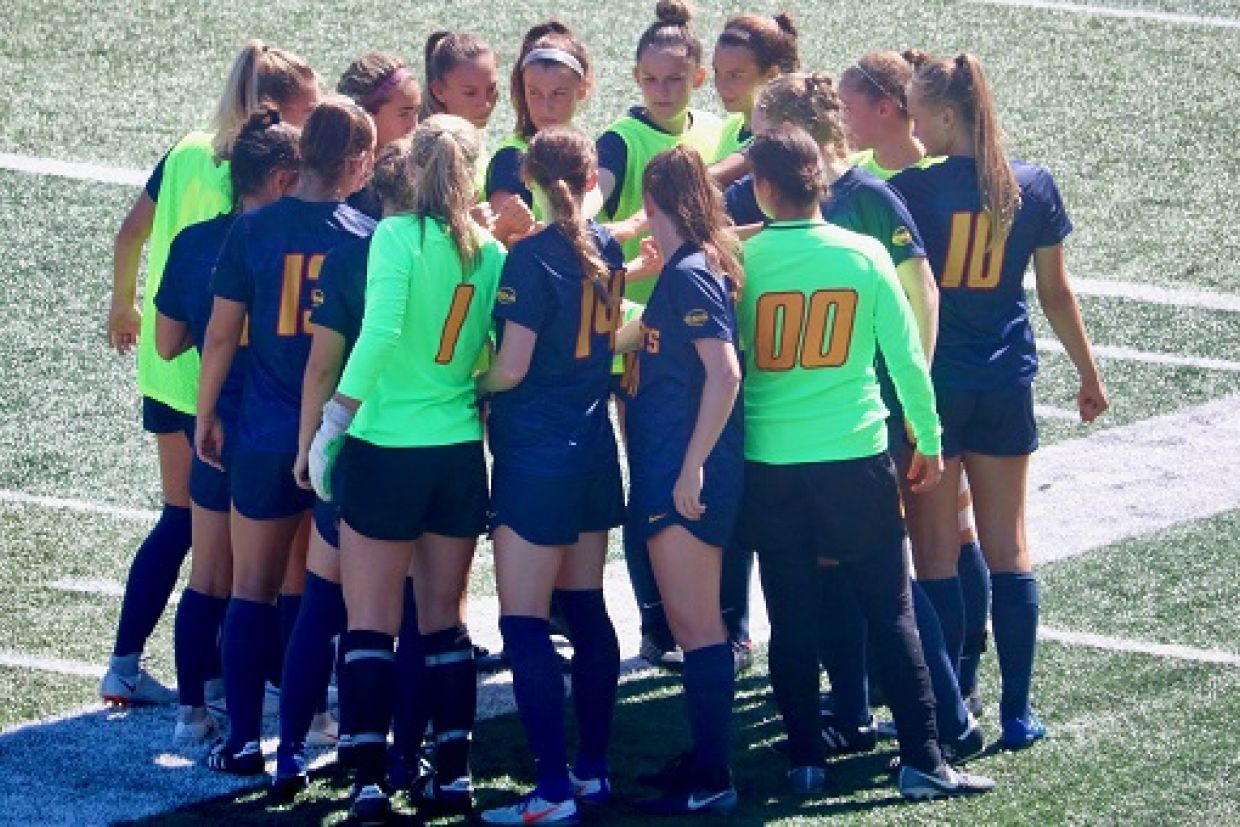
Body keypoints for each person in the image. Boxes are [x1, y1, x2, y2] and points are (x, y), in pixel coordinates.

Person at [738, 124, 996, 800]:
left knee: (789, 616)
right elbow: (906, 356)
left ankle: (803, 760)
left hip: (769, 460)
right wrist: (929, 438)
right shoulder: (862, 254)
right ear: (821, 181)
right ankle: (922, 757)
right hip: (854, 454)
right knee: (890, 609)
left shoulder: (745, 261)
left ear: (764, 188)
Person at [890, 52, 1107, 750]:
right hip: (1006, 381)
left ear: (949, 116)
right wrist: (1089, 374)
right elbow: (1056, 293)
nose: (913, 128)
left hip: (935, 389)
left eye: (920, 115)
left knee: (934, 556)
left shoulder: (912, 192)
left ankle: (953, 709)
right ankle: (1017, 712)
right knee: (1011, 549)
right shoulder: (1032, 186)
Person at [101, 39, 318, 706]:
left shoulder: (185, 148)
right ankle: (205, 679)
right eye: (303, 115)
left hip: (170, 360)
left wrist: (124, 301)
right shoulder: (252, 171)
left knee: (194, 529)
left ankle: (143, 664)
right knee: (209, 538)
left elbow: (130, 231)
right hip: (218, 378)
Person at [306, 114, 505, 823]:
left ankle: (366, 781)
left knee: (370, 621)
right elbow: (487, 355)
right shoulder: (489, 249)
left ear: (415, 168)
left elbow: (384, 329)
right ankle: (453, 773)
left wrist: (334, 419)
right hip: (456, 453)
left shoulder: (394, 236)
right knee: (444, 621)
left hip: (387, 447)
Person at [195, 96, 377, 775]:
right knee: (315, 595)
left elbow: (219, 334)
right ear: (358, 163)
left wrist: (205, 411)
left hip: (265, 432)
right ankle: (300, 739)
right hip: (339, 438)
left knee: (251, 588)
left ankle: (243, 737)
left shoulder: (254, 230)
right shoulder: (366, 233)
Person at [475, 127, 626, 826]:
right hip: (595, 451)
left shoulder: (530, 258)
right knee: (588, 608)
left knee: (525, 621)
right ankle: (592, 770)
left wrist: (470, 381)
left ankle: (552, 789)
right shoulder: (609, 246)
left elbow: (512, 367)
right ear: (593, 175)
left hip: (537, 455)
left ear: (529, 179)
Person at [840, 52, 993, 714]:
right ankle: (902, 672)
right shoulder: (867, 181)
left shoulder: (928, 187)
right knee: (904, 537)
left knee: (953, 534)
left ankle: (961, 670)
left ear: (889, 108)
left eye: (850, 106)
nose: (842, 120)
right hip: (886, 379)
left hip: (934, 381)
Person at [266, 138, 418, 799]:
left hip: (358, 451)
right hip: (432, 453)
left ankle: (291, 753)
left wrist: (308, 445)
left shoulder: (356, 255)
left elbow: (323, 365)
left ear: (376, 194)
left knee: (325, 607)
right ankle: (408, 756)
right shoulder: (466, 250)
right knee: (414, 617)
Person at [153, 109, 302, 746]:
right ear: (278, 179)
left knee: (210, 577)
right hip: (279, 425)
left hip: (210, 427)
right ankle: (302, 711)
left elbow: (165, 344)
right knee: (288, 581)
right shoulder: (292, 241)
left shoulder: (194, 243)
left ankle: (193, 711)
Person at [617, 146, 743, 816]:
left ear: (654, 201)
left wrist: (693, 463)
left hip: (684, 476)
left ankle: (715, 772)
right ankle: (703, 758)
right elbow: (634, 339)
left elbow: (724, 373)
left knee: (699, 631)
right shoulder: (684, 267)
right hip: (668, 468)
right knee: (694, 629)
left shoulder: (692, 270)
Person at [597, 0, 723, 275]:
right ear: (636, 77)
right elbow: (592, 195)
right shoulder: (618, 140)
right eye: (650, 79)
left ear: (698, 77)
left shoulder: (716, 129)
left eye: (674, 79)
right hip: (637, 310)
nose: (661, 91)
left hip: (703, 298)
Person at [484, 21, 593, 233]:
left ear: (582, 89)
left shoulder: (584, 147)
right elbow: (502, 239)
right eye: (534, 93)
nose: (545, 107)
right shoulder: (512, 158)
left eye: (558, 93)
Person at [709, 11, 799, 183]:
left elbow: (707, 178)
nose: (721, 85)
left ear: (771, 74)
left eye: (735, 75)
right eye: (717, 72)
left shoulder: (783, 136)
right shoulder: (732, 125)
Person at [337, 52, 421, 218]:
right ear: (366, 115)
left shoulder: (418, 169)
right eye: (404, 114)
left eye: (417, 112)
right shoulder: (334, 181)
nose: (415, 125)